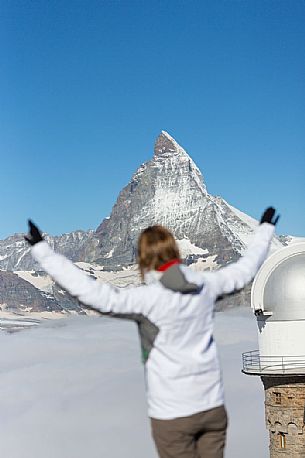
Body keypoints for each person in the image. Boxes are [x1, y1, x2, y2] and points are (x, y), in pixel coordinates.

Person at [25, 207, 279, 458]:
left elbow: (90, 293)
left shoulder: (146, 299)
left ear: (143, 258)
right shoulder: (206, 286)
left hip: (172, 415)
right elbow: (244, 270)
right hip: (212, 408)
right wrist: (265, 231)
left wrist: (42, 251)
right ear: (175, 252)